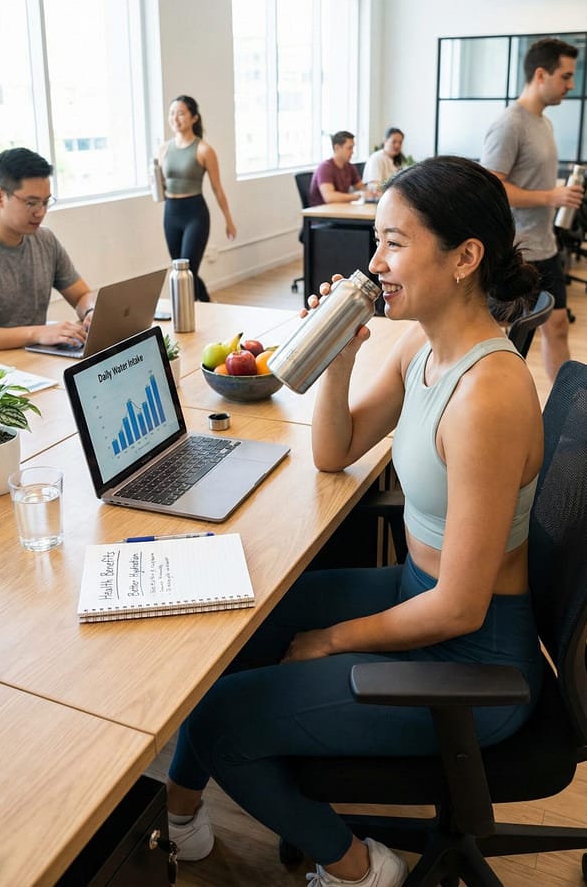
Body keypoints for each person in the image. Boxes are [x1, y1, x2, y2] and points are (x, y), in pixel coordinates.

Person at [164, 157, 544, 887]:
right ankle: (181, 815)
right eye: (377, 240)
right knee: (236, 630)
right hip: (418, 595)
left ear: (465, 258)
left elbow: (460, 607)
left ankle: (361, 870)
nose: (374, 263)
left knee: (220, 722)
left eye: (394, 243)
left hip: (472, 656)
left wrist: (329, 641)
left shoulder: (488, 395)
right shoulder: (420, 347)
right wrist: (339, 358)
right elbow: (335, 451)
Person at [481, 37, 583, 383]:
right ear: (541, 74)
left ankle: (566, 410)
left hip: (545, 245)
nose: (570, 85)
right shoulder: (510, 123)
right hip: (515, 248)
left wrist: (557, 195)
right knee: (493, 334)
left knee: (556, 326)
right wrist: (550, 197)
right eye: (565, 77)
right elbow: (491, 188)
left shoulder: (544, 123)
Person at [0, 148, 95, 352]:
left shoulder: (46, 240)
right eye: (31, 203)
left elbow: (81, 296)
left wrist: (91, 310)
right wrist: (38, 332)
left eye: (46, 202)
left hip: (36, 363)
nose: (41, 212)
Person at [157, 95, 236, 301]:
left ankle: (197, 311)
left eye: (181, 113)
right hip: (171, 213)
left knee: (188, 270)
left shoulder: (204, 149)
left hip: (195, 214)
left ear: (194, 118)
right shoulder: (164, 149)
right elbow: (160, 183)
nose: (176, 118)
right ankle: (206, 305)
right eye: (172, 113)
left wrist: (228, 221)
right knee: (180, 271)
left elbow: (217, 188)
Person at [308, 130, 372, 206]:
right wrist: (358, 196)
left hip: (340, 210)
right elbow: (329, 197)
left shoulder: (349, 167)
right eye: (349, 148)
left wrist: (372, 193)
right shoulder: (325, 167)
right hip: (322, 213)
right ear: (337, 148)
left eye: (352, 148)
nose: (352, 152)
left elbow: (361, 187)